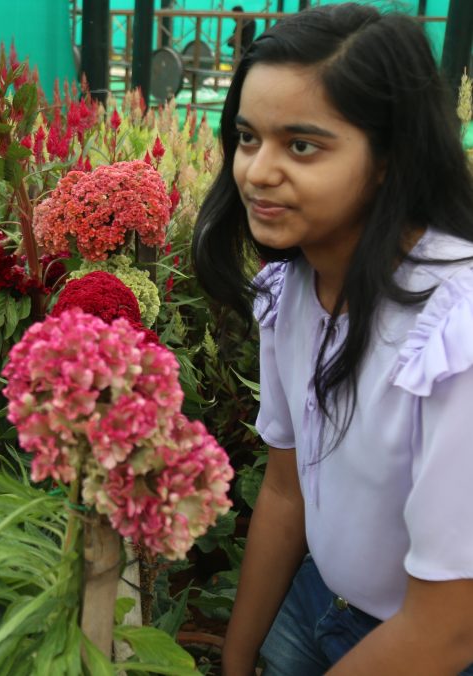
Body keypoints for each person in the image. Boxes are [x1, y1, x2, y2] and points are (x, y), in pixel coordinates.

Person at [191, 4, 473, 675]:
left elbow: (446, 629)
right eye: (248, 137)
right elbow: (287, 493)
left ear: (389, 158)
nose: (257, 171)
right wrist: (237, 661)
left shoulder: (455, 334)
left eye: (302, 145)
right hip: (319, 601)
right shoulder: (291, 288)